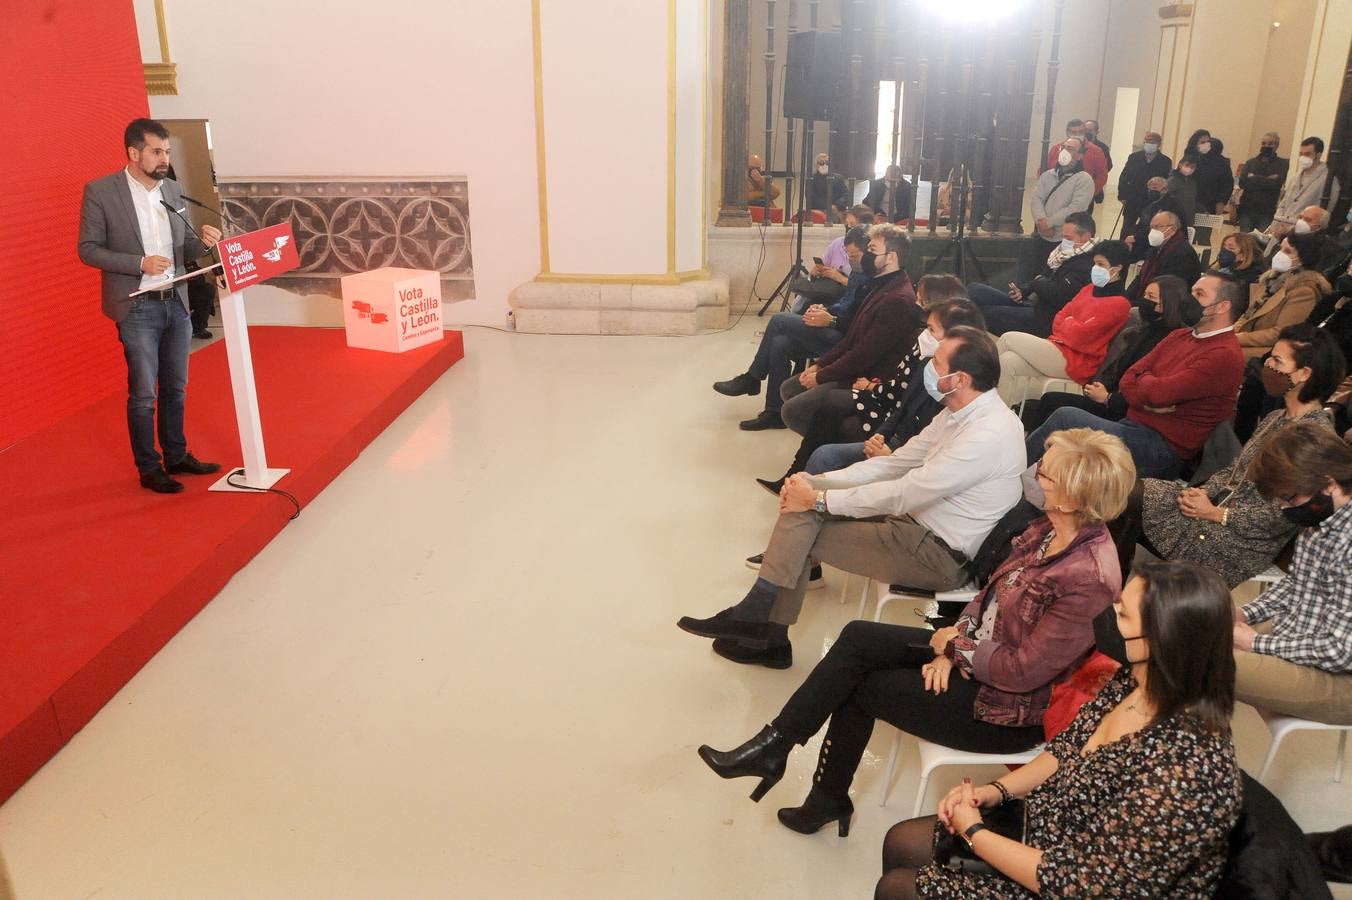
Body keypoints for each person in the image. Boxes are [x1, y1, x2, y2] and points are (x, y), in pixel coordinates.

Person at [692, 429, 1130, 840]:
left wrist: (953, 646)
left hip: (1004, 710)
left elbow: (1022, 672)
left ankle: (815, 789)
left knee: (861, 685)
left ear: (1073, 497)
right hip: (977, 659)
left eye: (1045, 473)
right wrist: (951, 645)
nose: (1033, 475)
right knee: (858, 638)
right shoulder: (1051, 528)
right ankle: (777, 748)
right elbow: (987, 598)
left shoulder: (1088, 577)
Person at [876, 560, 1242, 899]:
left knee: (897, 888)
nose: (1108, 617)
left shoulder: (1189, 772)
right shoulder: (1135, 679)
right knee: (900, 842)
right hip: (1056, 829)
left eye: (1123, 615)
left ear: (1164, 641)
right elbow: (1065, 749)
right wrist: (995, 792)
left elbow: (1082, 884)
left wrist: (976, 833)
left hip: (1072, 879)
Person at [677, 327, 1023, 667]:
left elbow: (904, 492)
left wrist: (818, 500)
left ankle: (762, 625)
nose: (928, 366)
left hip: (938, 555)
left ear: (959, 380)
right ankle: (763, 628)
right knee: (803, 509)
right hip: (915, 526)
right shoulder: (957, 414)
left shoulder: (986, 434)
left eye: (937, 362)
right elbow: (894, 464)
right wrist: (817, 482)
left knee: (803, 527)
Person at [1114, 325, 1343, 587]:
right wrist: (1203, 493)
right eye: (1270, 357)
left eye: (1277, 360)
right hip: (1213, 508)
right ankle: (1108, 594)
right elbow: (1234, 470)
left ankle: (1107, 599)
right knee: (1116, 491)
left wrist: (1216, 514)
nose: (1267, 365)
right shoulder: (1275, 417)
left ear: (1304, 374)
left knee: (1123, 499)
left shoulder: (1316, 437)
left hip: (1239, 541)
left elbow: (1284, 515)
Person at [77, 118, 222, 494]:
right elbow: (87, 250)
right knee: (144, 393)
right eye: (157, 151)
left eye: (167, 151)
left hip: (176, 301)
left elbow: (185, 250)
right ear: (133, 152)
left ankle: (177, 454)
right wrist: (138, 263)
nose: (164, 158)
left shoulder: (172, 189)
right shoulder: (101, 191)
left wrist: (204, 242)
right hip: (137, 307)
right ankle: (149, 467)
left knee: (176, 387)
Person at [1025, 273, 1247, 478]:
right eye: (1192, 292)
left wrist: (1147, 387)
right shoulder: (1181, 335)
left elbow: (1158, 393)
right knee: (1064, 424)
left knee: (1066, 417)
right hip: (1133, 425)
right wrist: (1148, 396)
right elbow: (1128, 378)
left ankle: (1011, 475)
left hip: (1162, 448)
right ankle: (1026, 481)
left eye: (1199, 295)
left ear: (1222, 307)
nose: (1190, 300)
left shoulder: (1224, 354)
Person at [755, 297, 987, 494]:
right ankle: (799, 472)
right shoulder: (927, 356)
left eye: (932, 330)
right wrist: (873, 392)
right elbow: (899, 392)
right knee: (831, 404)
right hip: (889, 409)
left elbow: (924, 432)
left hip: (899, 430)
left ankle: (809, 481)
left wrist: (890, 446)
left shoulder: (950, 382)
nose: (925, 333)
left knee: (834, 426)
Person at [1238, 423, 1352, 724]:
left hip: (1341, 677)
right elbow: (1297, 584)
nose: (1285, 508)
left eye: (1290, 498)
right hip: (1302, 642)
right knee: (1194, 636)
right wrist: (1244, 615)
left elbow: (1341, 650)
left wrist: (1254, 642)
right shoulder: (1323, 519)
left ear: (1328, 483)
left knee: (1200, 661)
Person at [770, 225, 923, 435]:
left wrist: (822, 376)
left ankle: (824, 445)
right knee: (789, 387)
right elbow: (852, 338)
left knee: (792, 411)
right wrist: (819, 365)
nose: (866, 256)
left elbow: (864, 354)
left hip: (868, 378)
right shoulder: (880, 285)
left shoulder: (898, 299)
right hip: (858, 365)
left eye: (872, 250)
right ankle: (820, 436)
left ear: (891, 257)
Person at [712, 226, 871, 428]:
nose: (850, 260)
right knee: (780, 343)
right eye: (848, 255)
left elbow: (862, 324)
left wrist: (831, 320)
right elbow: (845, 305)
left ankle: (752, 377)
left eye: (854, 255)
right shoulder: (857, 272)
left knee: (779, 320)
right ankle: (775, 412)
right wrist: (825, 309)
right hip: (834, 322)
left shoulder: (872, 279)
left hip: (844, 336)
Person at [1022, 275, 1189, 431]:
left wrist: (1109, 398)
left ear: (1169, 303)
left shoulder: (1172, 339)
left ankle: (1032, 457)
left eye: (1151, 298)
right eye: (1145, 295)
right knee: (1049, 400)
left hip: (1125, 410)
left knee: (1056, 406)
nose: (1144, 301)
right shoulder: (1143, 330)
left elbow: (1146, 388)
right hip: (1110, 395)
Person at [994, 240, 1131, 407]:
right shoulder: (1089, 289)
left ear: (1117, 268)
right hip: (1058, 346)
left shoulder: (1120, 304)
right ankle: (997, 415)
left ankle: (981, 401)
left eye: (1100, 264)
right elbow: (1060, 316)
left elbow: (1081, 336)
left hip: (1078, 361)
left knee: (1008, 338)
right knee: (1008, 362)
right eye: (1094, 263)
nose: (1095, 268)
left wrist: (1070, 323)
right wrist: (1072, 323)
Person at [969, 212, 1096, 337]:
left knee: (983, 312)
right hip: (1035, 305)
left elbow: (1058, 293)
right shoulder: (1062, 254)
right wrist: (1022, 291)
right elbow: (1041, 279)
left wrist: (1038, 283)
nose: (1064, 242)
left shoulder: (1086, 263)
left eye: (1068, 238)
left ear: (1086, 236)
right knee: (975, 289)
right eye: (1063, 237)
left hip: (1047, 319)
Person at [1236, 232, 1332, 360]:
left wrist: (1238, 338)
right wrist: (1231, 331)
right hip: (1251, 337)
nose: (1280, 254)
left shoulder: (1305, 291)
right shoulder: (1273, 279)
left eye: (1288, 251)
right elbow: (1248, 314)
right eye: (1280, 249)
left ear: (1304, 258)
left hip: (1273, 350)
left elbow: (1280, 333)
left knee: (1222, 353)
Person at [1027, 139, 1094, 281]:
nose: (1064, 151)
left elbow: (1076, 207)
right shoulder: (1048, 175)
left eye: (1070, 149)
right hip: (1042, 234)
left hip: (1063, 239)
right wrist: (1041, 222)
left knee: (1054, 277)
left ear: (1080, 155)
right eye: (1063, 147)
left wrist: (1049, 223)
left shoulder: (1084, 179)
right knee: (1035, 273)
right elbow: (1036, 199)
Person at [788, 205, 868, 307]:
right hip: (825, 294)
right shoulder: (838, 243)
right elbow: (821, 266)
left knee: (781, 319)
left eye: (852, 225)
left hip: (844, 301)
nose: (848, 228)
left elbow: (865, 290)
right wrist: (816, 271)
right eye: (846, 224)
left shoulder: (869, 252)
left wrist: (840, 278)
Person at [1124, 210, 1200, 303]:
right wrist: (1125, 300)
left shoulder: (1183, 254)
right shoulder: (1157, 247)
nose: (1152, 231)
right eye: (1151, 227)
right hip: (1149, 298)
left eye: (1157, 227)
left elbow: (1166, 291)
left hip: (1168, 305)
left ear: (1172, 229)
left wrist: (1133, 304)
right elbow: (1140, 279)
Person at [1268, 137, 1330, 239]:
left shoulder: (1327, 180)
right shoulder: (1296, 177)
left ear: (1318, 155)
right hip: (1281, 231)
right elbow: (1283, 204)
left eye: (1307, 154)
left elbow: (1324, 213)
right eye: (1301, 154)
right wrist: (1276, 224)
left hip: (1304, 235)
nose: (1302, 157)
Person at [1116, 131, 1172, 239]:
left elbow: (1166, 182)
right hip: (1133, 199)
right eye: (1147, 141)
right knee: (1127, 228)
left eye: (1153, 142)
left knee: (1147, 228)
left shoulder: (1165, 161)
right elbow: (1124, 177)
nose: (1149, 144)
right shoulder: (1134, 157)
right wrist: (1122, 195)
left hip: (1152, 200)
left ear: (1159, 144)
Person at [1042, 119, 1108, 206]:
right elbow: (1044, 170)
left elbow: (1102, 175)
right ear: (1067, 133)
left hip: (1082, 199)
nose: (1077, 135)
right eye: (1073, 132)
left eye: (1080, 132)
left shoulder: (1095, 151)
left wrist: (1089, 192)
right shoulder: (1056, 149)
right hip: (1056, 197)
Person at [1236, 132, 1289, 232]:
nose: (1266, 146)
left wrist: (1253, 177)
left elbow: (1276, 184)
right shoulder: (1251, 162)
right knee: (1244, 240)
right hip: (1247, 209)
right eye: (1264, 143)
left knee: (1261, 241)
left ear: (1277, 145)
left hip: (1266, 211)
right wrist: (1268, 179)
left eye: (1270, 144)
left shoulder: (1283, 164)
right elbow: (1242, 183)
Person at [1125, 176, 1188, 259]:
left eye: (1155, 187)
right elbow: (1141, 225)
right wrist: (1131, 236)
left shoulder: (1173, 205)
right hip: (1148, 239)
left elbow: (1159, 228)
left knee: (1126, 254)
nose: (1151, 190)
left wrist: (1136, 237)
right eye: (1149, 187)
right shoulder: (1149, 204)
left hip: (1166, 242)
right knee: (1122, 250)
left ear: (1165, 190)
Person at [1185, 128, 1235, 214]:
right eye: (1202, 142)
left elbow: (1227, 184)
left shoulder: (1220, 162)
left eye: (1208, 142)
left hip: (1208, 206)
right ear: (1195, 144)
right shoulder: (1188, 159)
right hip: (1188, 203)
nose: (1206, 144)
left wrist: (1221, 201)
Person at [806, 152, 850, 222]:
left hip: (839, 209)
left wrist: (837, 205)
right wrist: (829, 206)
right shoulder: (811, 179)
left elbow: (846, 195)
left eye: (827, 163)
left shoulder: (839, 178)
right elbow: (811, 197)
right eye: (821, 163)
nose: (824, 165)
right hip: (820, 210)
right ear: (816, 165)